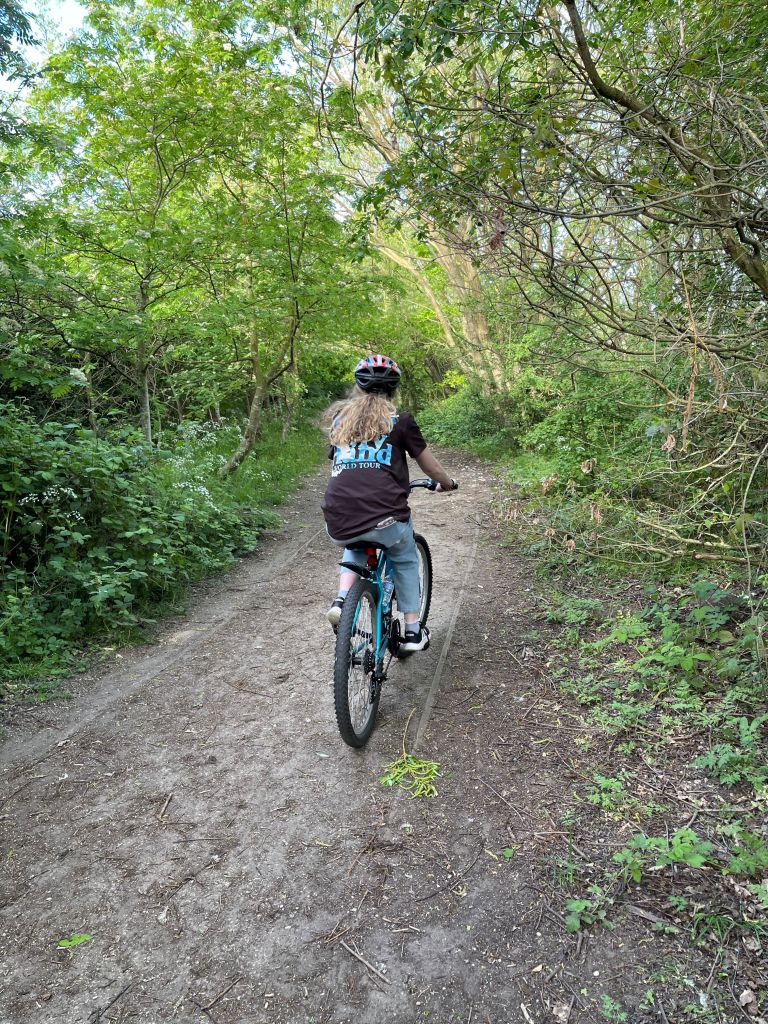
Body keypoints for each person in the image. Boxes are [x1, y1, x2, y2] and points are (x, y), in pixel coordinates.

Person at [321, 354, 457, 652]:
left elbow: (339, 462)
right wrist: (446, 482)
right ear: (393, 391)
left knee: (354, 544)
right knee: (405, 557)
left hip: (338, 517)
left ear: (358, 388)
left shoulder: (339, 421)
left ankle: (342, 600)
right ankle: (411, 632)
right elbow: (430, 467)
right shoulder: (401, 421)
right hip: (386, 519)